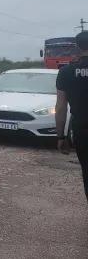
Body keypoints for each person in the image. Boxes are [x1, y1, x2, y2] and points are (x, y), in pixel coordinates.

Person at [55, 31, 88, 201]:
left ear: (77, 47)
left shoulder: (66, 72)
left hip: (83, 131)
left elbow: (61, 107)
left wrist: (61, 136)